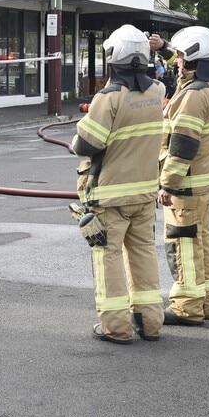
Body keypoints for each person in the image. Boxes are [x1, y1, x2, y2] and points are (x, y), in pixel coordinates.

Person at [70, 24, 166, 344]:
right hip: (144, 192)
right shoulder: (157, 93)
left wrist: (77, 137)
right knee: (143, 255)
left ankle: (117, 327)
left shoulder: (108, 97)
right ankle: (151, 323)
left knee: (107, 255)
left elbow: (86, 144)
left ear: (113, 58)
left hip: (110, 197)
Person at [157, 26, 209, 326]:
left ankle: (187, 306)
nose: (177, 61)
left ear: (193, 59)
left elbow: (183, 145)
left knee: (182, 245)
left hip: (185, 184)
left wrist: (166, 184)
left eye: (182, 56)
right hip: (202, 182)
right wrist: (164, 48)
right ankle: (206, 302)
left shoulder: (193, 96)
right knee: (200, 242)